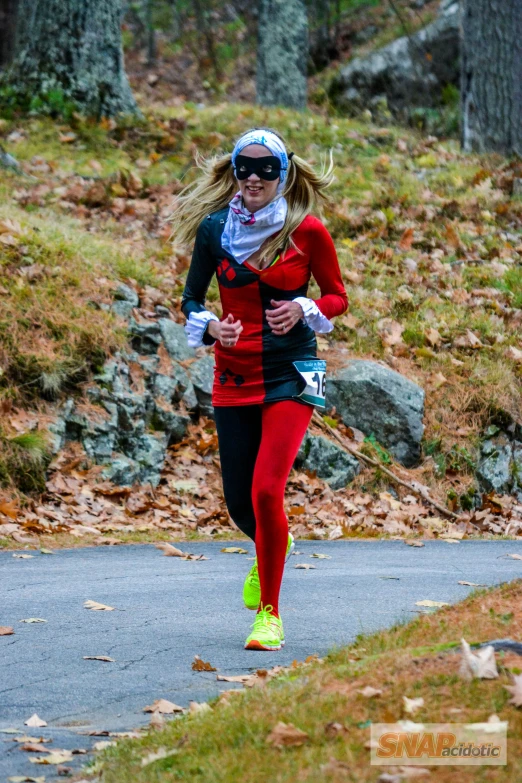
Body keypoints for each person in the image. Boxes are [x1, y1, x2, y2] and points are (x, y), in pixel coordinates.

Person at [172, 128, 348, 651]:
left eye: (265, 169)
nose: (253, 177)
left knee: (268, 489)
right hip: (233, 373)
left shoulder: (307, 231)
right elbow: (189, 300)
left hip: (292, 371)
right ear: (234, 170)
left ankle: (269, 615)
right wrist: (209, 326)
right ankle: (276, 541)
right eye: (244, 167)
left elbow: (337, 296)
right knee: (239, 503)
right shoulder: (214, 230)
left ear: (282, 174)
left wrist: (303, 308)